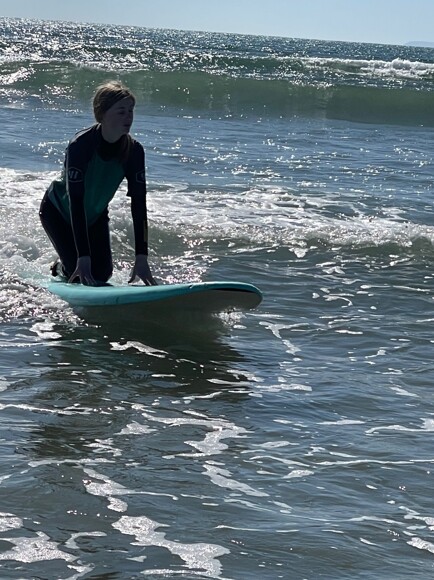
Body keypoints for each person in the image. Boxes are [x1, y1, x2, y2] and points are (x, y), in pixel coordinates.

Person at [39, 80, 156, 286]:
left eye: (130, 111)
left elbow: (139, 204)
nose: (128, 117)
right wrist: (82, 257)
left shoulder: (134, 151)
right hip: (59, 211)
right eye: (121, 111)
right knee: (77, 272)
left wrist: (141, 257)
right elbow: (76, 200)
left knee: (101, 274)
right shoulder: (81, 145)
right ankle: (60, 267)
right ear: (102, 114)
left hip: (94, 215)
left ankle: (70, 262)